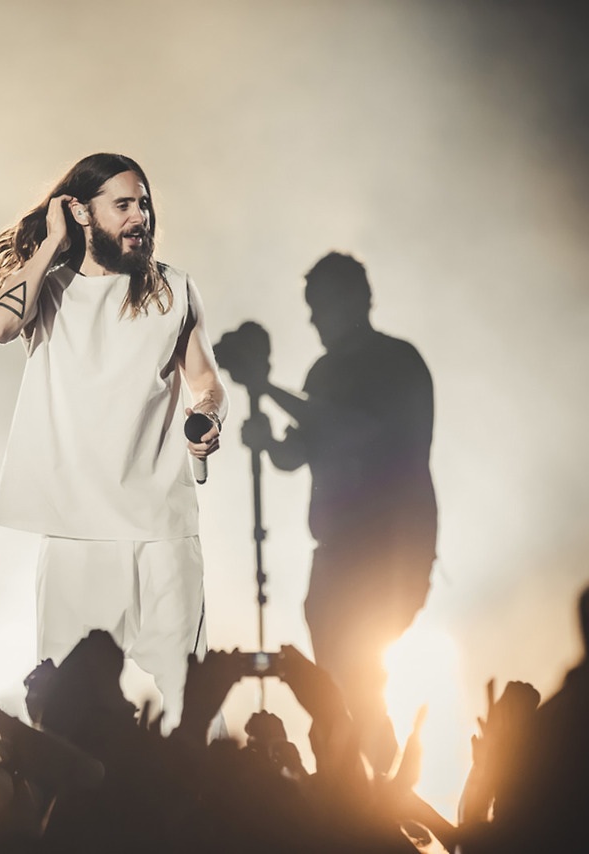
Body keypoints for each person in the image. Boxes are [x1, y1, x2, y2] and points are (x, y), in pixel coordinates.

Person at [0, 153, 227, 732]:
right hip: (75, 531)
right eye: (122, 205)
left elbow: (206, 381)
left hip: (162, 527)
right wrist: (52, 243)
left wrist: (206, 416)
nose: (139, 217)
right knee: (66, 706)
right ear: (81, 212)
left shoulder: (175, 289)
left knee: (187, 700)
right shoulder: (50, 288)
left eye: (144, 204)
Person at [237, 251, 437, 775]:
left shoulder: (397, 363)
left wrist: (267, 389)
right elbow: (298, 451)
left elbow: (355, 430)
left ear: (355, 300)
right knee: (339, 675)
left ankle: (377, 779)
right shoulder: (323, 372)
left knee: (354, 667)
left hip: (389, 550)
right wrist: (266, 440)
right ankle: (363, 775)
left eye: (319, 306)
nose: (313, 320)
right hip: (337, 551)